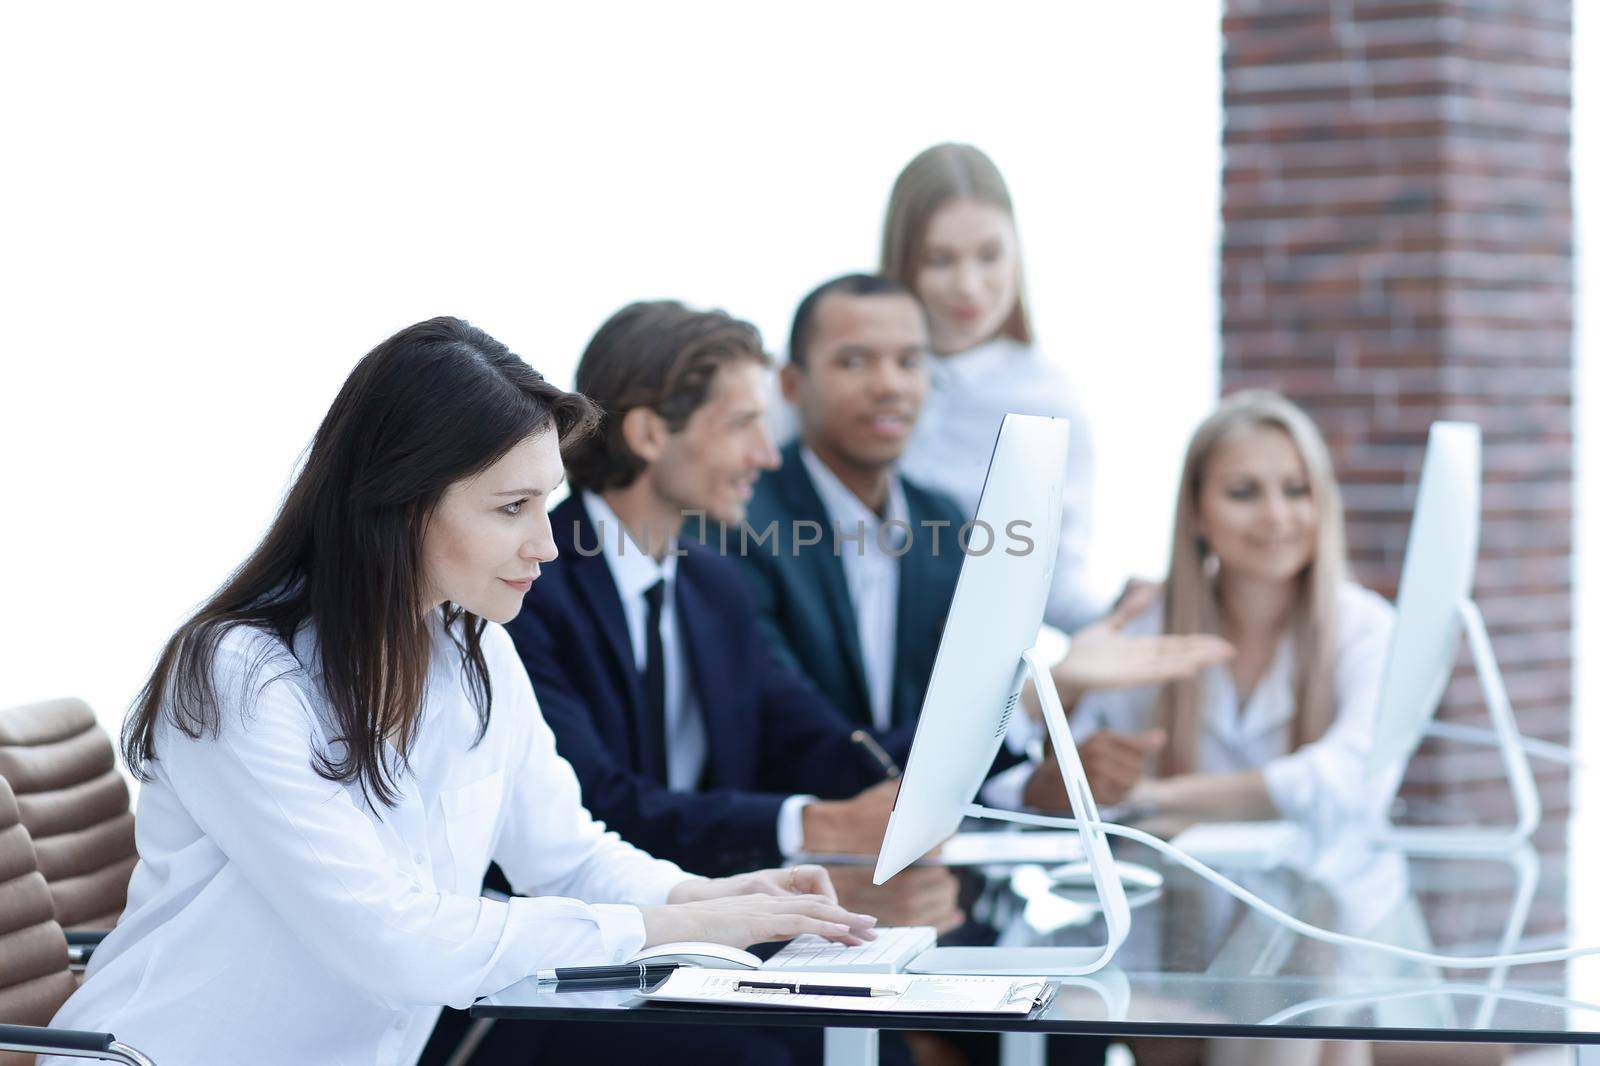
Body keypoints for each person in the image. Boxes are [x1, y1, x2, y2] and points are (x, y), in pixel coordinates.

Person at [43, 318, 873, 1066]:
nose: (547, 544)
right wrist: (679, 930)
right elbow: (396, 941)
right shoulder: (240, 675)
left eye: (545, 503)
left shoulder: (472, 651)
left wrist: (710, 896)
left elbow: (565, 854)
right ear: (400, 505)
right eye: (512, 507)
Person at [744, 273, 1232, 815]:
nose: (889, 385)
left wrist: (1034, 787)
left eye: (909, 361)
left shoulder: (946, 523)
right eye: (854, 362)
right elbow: (808, 754)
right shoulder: (743, 525)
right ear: (790, 384)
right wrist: (1033, 697)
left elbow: (944, 724)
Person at [1025, 390, 1398, 833]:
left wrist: (1152, 797)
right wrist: (1061, 693)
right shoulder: (1147, 624)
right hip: (1168, 894)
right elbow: (1057, 783)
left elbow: (1356, 779)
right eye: (1244, 493)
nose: (1276, 516)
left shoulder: (1368, 627)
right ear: (1196, 513)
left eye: (1297, 490)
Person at [881, 142, 1102, 632]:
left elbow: (1057, 585)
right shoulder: (833, 373)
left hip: (967, 684)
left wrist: (1135, 616)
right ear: (902, 259)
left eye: (989, 255)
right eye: (940, 259)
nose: (969, 285)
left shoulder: (1048, 399)